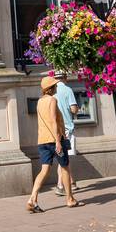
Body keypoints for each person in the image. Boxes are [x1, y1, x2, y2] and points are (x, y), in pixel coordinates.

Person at [27, 76, 80, 211]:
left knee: (44, 170)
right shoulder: (52, 100)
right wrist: (58, 141)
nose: (57, 87)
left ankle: (33, 198)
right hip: (55, 141)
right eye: (55, 85)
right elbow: (53, 121)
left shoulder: (39, 102)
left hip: (42, 141)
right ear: (50, 89)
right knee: (65, 167)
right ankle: (70, 199)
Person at [51, 71, 80, 196]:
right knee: (63, 158)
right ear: (65, 78)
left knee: (63, 156)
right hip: (67, 128)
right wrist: (77, 109)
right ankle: (60, 185)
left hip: (55, 128)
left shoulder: (51, 92)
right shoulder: (68, 90)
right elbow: (73, 109)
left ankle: (72, 182)